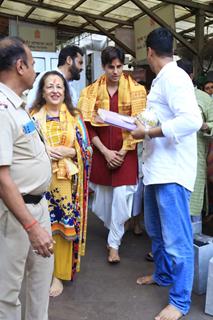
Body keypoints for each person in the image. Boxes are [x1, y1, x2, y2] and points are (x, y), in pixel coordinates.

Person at [131, 28, 202, 320]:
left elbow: (192, 120)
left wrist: (148, 130)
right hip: (156, 171)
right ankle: (162, 275)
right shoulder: (164, 79)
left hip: (172, 174)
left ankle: (180, 301)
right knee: (156, 231)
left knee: (177, 239)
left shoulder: (174, 77)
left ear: (149, 52)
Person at [0, 37, 54, 320]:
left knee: (40, 280)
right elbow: (2, 178)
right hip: (16, 214)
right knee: (7, 293)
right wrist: (31, 226)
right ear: (20, 66)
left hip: (37, 207)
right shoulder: (1, 108)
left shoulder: (17, 105)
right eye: (33, 64)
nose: (35, 70)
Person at [78, 46, 146, 263]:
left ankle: (113, 244)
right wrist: (106, 152)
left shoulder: (137, 90)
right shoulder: (89, 92)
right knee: (104, 200)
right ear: (103, 67)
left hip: (127, 152)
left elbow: (142, 124)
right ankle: (113, 229)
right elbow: (86, 126)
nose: (116, 71)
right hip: (101, 152)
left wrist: (122, 151)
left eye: (119, 66)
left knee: (121, 199)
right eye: (111, 67)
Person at [30, 71, 92, 297]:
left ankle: (58, 275)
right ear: (42, 92)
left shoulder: (75, 117)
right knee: (41, 227)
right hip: (40, 182)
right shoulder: (33, 117)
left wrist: (71, 151)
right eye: (50, 87)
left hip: (67, 185)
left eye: (59, 86)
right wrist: (43, 150)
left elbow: (87, 149)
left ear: (65, 91)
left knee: (62, 228)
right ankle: (41, 273)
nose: (55, 90)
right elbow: (25, 146)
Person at [177, 59, 213, 221]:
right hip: (172, 158)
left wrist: (203, 125)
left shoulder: (204, 98)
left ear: (191, 76)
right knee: (173, 205)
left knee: (193, 205)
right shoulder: (170, 96)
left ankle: (192, 242)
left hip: (195, 159)